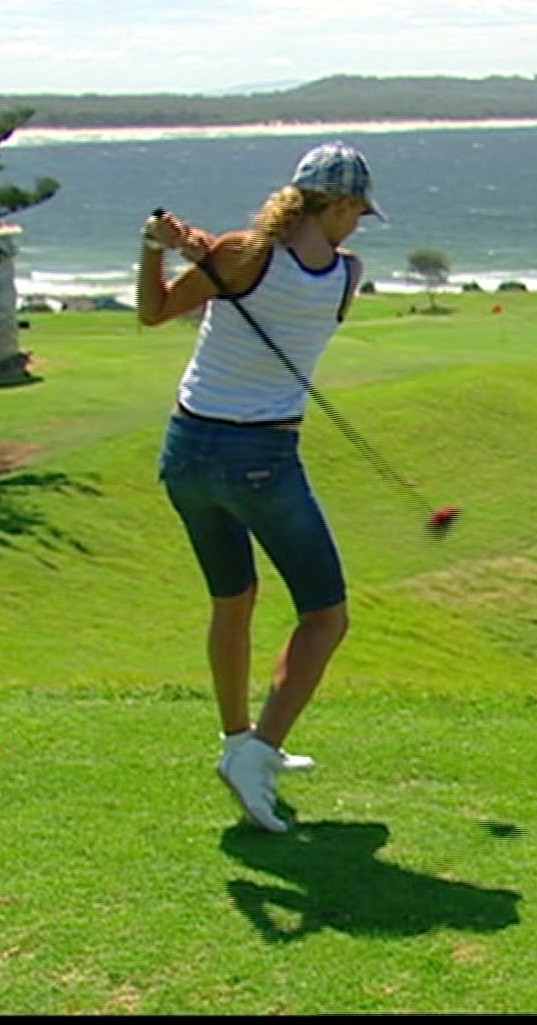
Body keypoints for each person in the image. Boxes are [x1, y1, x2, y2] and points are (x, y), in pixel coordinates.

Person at [136, 141, 383, 832]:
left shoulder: (240, 252)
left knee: (233, 599)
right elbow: (259, 266)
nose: (357, 227)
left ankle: (236, 740)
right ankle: (257, 752)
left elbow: (155, 310)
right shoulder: (346, 276)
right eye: (356, 213)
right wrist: (195, 246)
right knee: (325, 616)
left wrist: (157, 247)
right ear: (337, 206)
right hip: (262, 458)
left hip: (185, 453)